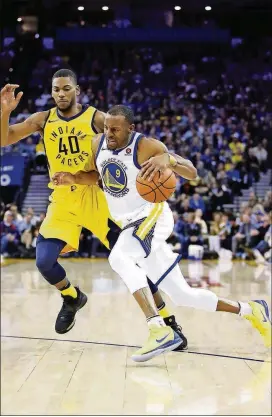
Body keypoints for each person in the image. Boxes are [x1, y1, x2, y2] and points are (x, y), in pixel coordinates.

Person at [54, 105, 271, 361]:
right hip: (130, 223)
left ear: (130, 129)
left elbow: (192, 172)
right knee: (182, 295)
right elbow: (101, 177)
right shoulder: (96, 144)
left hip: (151, 215)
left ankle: (158, 329)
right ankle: (251, 310)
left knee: (118, 258)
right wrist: (73, 178)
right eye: (106, 128)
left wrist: (169, 159)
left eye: (115, 129)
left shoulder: (146, 146)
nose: (109, 133)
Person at [0, 74, 187, 352]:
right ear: (51, 92)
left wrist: (161, 158)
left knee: (133, 263)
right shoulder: (43, 119)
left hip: (99, 198)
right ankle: (72, 296)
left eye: (66, 89)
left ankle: (167, 321)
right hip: (63, 198)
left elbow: (133, 141)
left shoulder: (97, 118)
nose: (61, 94)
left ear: (76, 90)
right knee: (44, 261)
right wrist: (5, 112)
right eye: (56, 89)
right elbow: (5, 138)